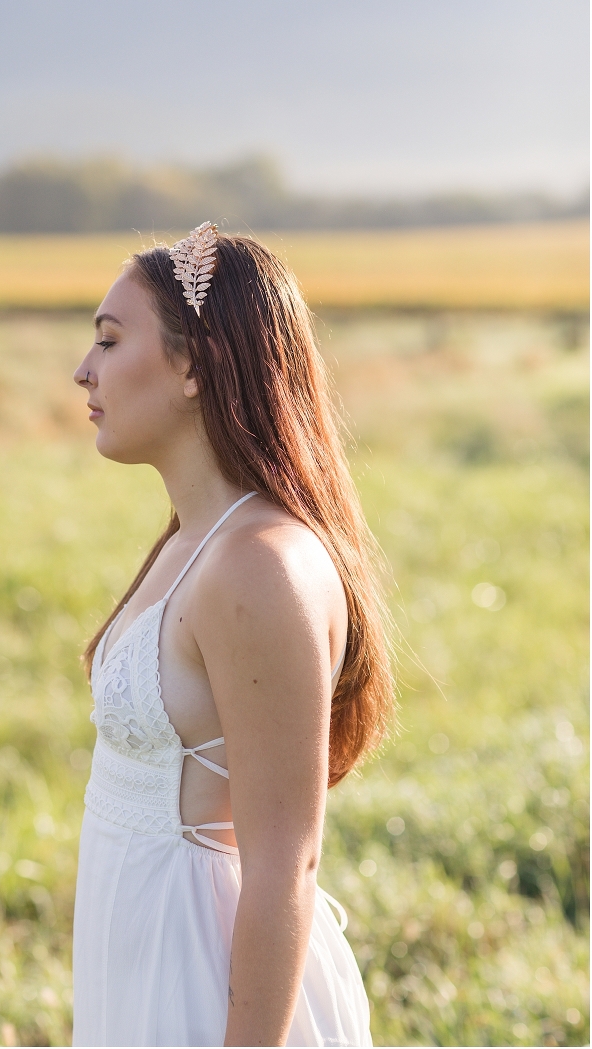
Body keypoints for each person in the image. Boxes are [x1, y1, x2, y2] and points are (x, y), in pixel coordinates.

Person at [72, 223, 392, 1047]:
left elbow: (287, 863)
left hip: (207, 979)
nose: (84, 369)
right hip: (137, 951)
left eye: (110, 339)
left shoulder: (259, 567)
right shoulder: (191, 539)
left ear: (194, 363)